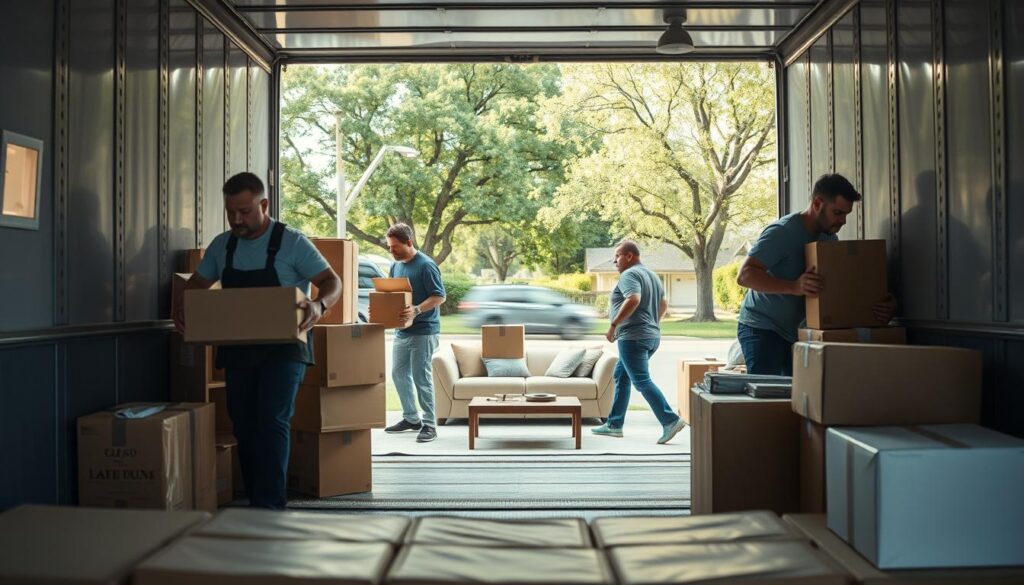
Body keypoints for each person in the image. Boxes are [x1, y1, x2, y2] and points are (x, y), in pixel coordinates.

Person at [173, 172, 341, 509]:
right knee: (244, 423)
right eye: (231, 212)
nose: (237, 219)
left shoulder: (291, 242)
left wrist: (319, 304)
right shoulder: (224, 245)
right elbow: (197, 287)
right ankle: (256, 497)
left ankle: (269, 505)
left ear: (264, 204)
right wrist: (185, 308)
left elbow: (331, 280)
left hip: (285, 350)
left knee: (272, 419)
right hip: (238, 350)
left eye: (245, 211)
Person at [736, 173, 897, 375]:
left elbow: (840, 287)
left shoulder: (829, 240)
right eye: (837, 212)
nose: (843, 221)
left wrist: (879, 302)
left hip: (797, 333)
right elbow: (745, 276)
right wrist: (795, 287)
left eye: (846, 214)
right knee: (765, 395)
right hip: (762, 327)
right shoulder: (782, 232)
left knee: (794, 398)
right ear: (818, 203)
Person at [592, 240, 686, 444]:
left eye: (617, 256)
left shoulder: (630, 274)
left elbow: (633, 298)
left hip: (633, 337)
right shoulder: (652, 275)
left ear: (629, 256)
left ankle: (670, 420)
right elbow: (663, 304)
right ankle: (614, 424)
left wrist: (613, 325)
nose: (614, 261)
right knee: (621, 376)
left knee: (641, 381)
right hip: (651, 336)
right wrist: (653, 324)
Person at [382, 223, 446, 443]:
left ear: (409, 242)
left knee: (421, 377)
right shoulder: (396, 266)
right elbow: (392, 295)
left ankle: (429, 425)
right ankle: (411, 418)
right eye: (389, 247)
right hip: (402, 331)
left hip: (425, 331)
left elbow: (439, 296)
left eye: (395, 247)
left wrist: (417, 309)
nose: (391, 251)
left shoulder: (426, 265)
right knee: (398, 373)